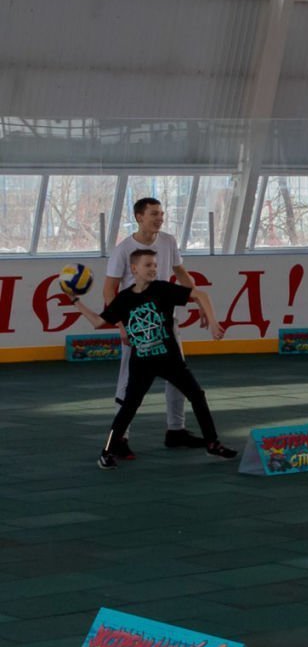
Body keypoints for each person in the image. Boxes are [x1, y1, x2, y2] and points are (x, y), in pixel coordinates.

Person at [66, 248, 236, 469]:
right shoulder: (124, 298)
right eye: (148, 265)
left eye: (155, 265)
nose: (153, 269)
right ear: (134, 269)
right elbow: (98, 322)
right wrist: (75, 301)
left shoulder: (163, 289)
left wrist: (213, 322)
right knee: (128, 407)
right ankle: (106, 451)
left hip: (170, 360)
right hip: (142, 364)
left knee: (197, 395)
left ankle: (212, 443)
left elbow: (200, 295)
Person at [104, 196, 207, 458]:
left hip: (166, 324)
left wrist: (199, 301)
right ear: (139, 217)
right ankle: (120, 439)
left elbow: (181, 273)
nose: (159, 218)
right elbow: (109, 289)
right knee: (128, 383)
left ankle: (176, 430)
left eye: (161, 214)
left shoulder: (168, 242)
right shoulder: (123, 249)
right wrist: (122, 325)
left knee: (178, 377)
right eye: (154, 214)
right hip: (138, 327)